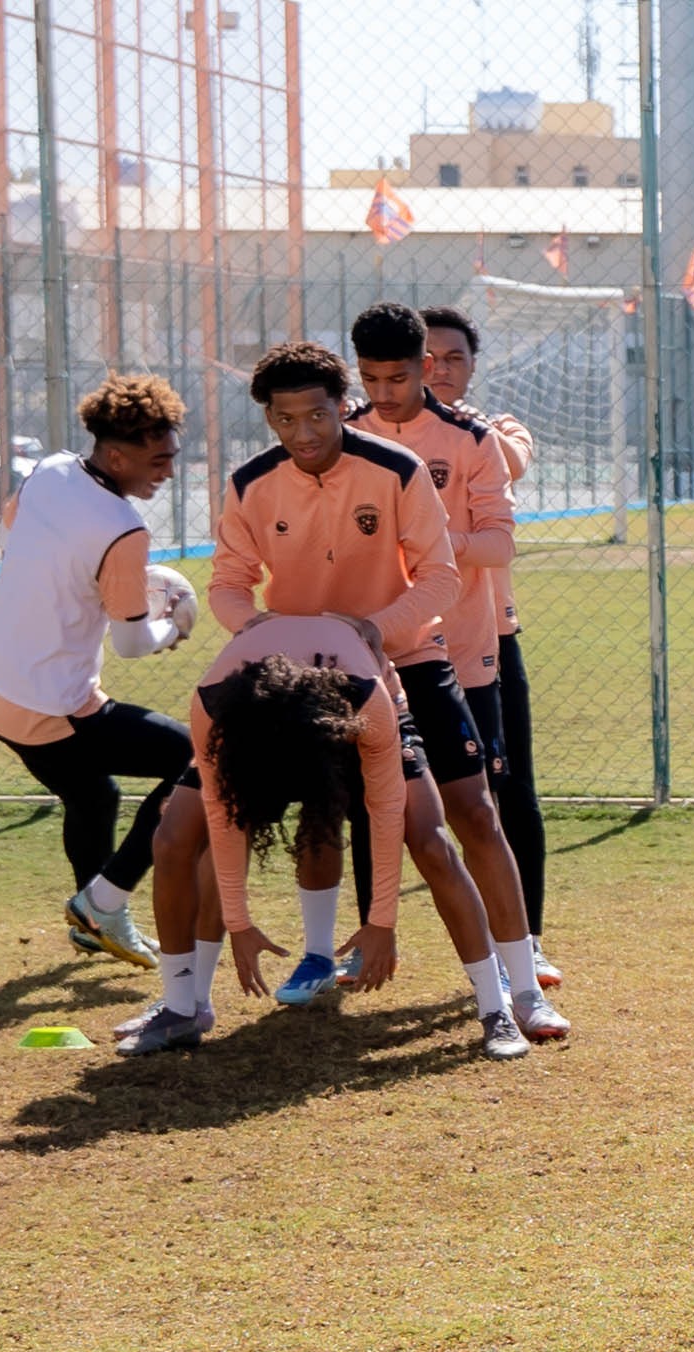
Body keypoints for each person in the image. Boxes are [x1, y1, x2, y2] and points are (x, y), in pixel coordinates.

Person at [205, 335, 537, 1059]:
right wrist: (257, 629)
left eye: (317, 417)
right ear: (268, 420)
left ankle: (520, 990)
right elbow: (228, 582)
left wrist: (374, 629)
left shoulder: (396, 468)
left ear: (339, 407)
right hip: (303, 676)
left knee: (459, 821)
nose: (303, 435)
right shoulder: (249, 483)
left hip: (406, 657)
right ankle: (318, 957)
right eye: (285, 421)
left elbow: (442, 579)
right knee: (320, 815)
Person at [328, 301, 562, 1038]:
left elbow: (499, 545)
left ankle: (518, 956)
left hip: (463, 644)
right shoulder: (344, 435)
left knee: (485, 804)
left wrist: (433, 538)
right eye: (371, 377)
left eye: (400, 375)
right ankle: (366, 940)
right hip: (372, 651)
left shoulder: (473, 438)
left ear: (430, 368)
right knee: (372, 799)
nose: (385, 390)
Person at [0, 367, 197, 966]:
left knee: (93, 794)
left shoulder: (52, 467)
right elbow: (132, 645)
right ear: (117, 457)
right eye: (158, 459)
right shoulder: (124, 527)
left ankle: (95, 916)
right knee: (197, 761)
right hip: (48, 704)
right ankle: (103, 901)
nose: (168, 470)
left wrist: (109, 580)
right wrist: (175, 624)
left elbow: (15, 534)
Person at [113, 617, 411, 1056]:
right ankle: (183, 1006)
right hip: (251, 720)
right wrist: (239, 923)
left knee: (325, 813)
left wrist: (382, 921)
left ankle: (318, 956)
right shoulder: (213, 703)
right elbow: (222, 816)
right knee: (173, 837)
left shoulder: (367, 699)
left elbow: (387, 813)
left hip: (335, 713)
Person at [419, 304, 558, 991]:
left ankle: (526, 939)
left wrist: (439, 425)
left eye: (454, 360)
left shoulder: (494, 431)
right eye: (426, 359)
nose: (439, 371)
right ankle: (356, 940)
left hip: (488, 637)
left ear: (473, 368)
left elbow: (510, 461)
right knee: (375, 795)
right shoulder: (375, 432)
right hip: (400, 636)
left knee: (509, 792)